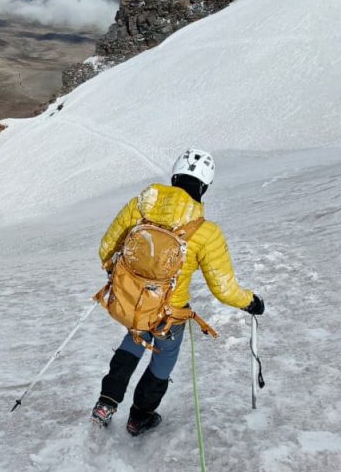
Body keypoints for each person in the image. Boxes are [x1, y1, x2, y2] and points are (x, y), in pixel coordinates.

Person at [91, 148, 264, 436]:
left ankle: (105, 404)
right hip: (170, 313)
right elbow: (223, 289)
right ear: (204, 187)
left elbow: (107, 249)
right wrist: (250, 302)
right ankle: (139, 417)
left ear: (174, 177)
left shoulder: (139, 207)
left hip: (133, 301)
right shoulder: (206, 232)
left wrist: (122, 278)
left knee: (133, 340)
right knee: (163, 359)